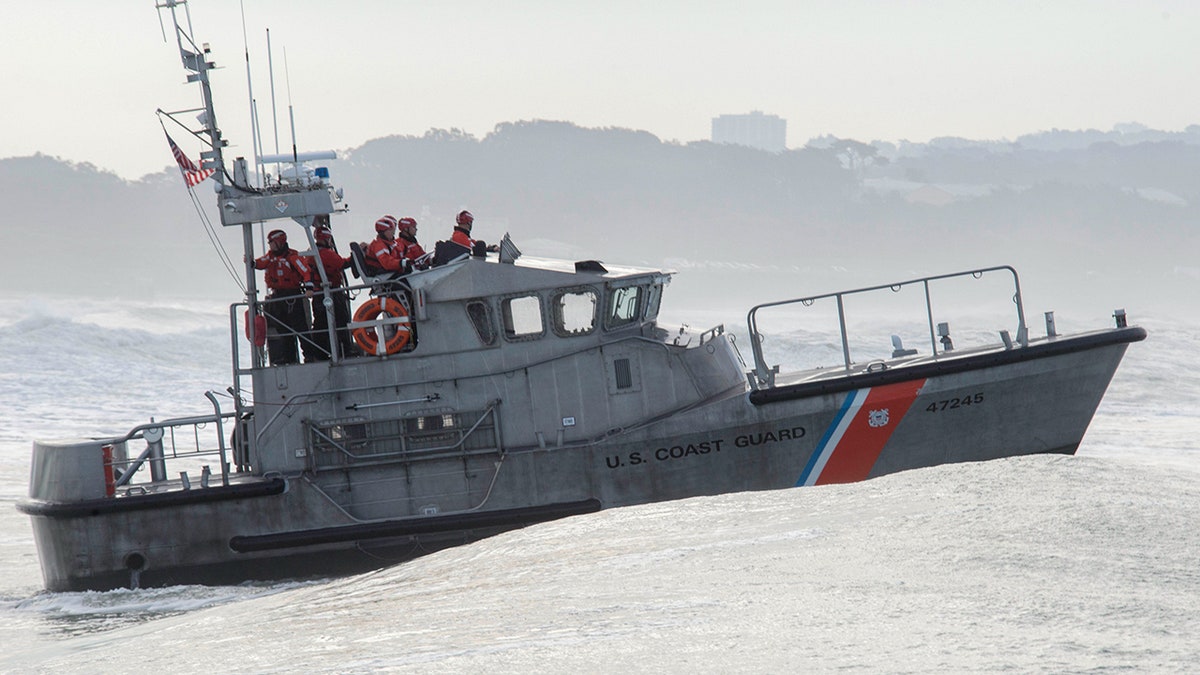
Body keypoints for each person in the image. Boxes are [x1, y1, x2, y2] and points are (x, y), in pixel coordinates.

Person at [253, 229, 315, 365]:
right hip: (278, 296)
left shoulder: (292, 257)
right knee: (283, 329)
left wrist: (309, 288)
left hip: (292, 295)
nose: (270, 245)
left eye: (272, 243)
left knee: (300, 328)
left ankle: (309, 355)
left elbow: (305, 271)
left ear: (280, 242)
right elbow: (260, 263)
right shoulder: (270, 257)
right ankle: (289, 357)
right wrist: (252, 263)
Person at [308, 223, 355, 360]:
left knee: (320, 324)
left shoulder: (313, 253)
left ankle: (321, 352)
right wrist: (357, 255)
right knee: (341, 320)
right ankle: (345, 349)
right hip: (331, 293)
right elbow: (342, 264)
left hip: (319, 294)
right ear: (326, 239)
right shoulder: (326, 254)